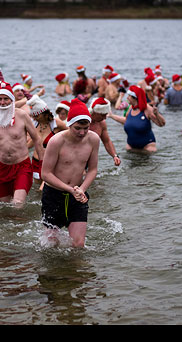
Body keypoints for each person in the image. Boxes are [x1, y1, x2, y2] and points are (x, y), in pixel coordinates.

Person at [40, 98, 100, 248]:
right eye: (78, 128)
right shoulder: (56, 141)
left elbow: (92, 169)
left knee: (78, 245)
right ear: (69, 124)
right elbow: (45, 174)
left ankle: (74, 271)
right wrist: (69, 190)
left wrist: (82, 189)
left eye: (86, 128)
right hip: (53, 195)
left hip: (78, 195)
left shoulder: (93, 139)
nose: (82, 132)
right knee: (50, 245)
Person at [0, 82, 44, 207]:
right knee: (3, 207)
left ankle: (22, 225)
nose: (2, 102)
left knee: (17, 204)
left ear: (12, 100)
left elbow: (37, 139)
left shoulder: (22, 116)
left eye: (6, 99)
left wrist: (42, 163)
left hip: (22, 166)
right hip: (2, 168)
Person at [108, 85, 165, 153]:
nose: (127, 98)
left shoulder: (147, 109)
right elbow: (126, 121)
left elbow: (161, 124)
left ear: (135, 98)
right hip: (131, 146)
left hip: (147, 147)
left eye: (129, 96)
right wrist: (112, 116)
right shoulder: (130, 108)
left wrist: (157, 114)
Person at [26, 95, 66, 182]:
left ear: (44, 114)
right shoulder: (35, 124)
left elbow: (72, 134)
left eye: (36, 116)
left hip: (51, 163)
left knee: (47, 188)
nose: (34, 118)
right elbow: (34, 141)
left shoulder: (56, 124)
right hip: (36, 161)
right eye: (33, 116)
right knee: (37, 191)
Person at [88, 97, 121, 166]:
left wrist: (115, 156)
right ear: (95, 112)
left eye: (106, 115)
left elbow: (107, 141)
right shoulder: (82, 122)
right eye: (103, 115)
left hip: (91, 158)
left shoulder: (102, 123)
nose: (105, 118)